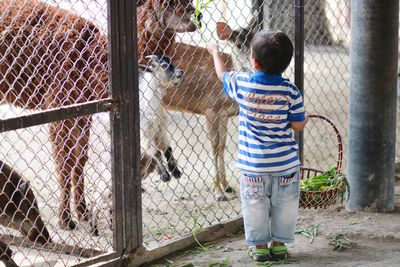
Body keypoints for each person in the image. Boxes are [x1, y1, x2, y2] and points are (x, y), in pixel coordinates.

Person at [207, 30, 308, 262]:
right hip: (285, 166)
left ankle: (260, 247)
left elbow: (222, 75)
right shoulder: (291, 91)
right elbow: (297, 124)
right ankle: (280, 245)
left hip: (253, 166)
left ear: (253, 61)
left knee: (254, 205)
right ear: (286, 63)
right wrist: (306, 118)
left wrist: (214, 51)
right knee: (285, 205)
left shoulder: (243, 83)